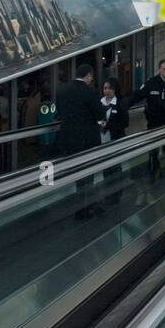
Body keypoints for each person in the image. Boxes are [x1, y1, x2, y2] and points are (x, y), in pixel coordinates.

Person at [55, 64, 105, 219]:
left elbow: (60, 111)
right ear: (88, 75)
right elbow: (99, 114)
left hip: (69, 138)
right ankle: (87, 206)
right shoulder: (90, 92)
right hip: (87, 139)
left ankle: (79, 206)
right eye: (91, 77)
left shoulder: (62, 90)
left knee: (77, 172)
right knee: (88, 174)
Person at [128, 59, 165, 179]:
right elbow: (137, 96)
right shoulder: (151, 83)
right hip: (154, 121)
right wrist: (125, 105)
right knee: (153, 148)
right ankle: (153, 169)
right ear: (159, 69)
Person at [100, 78, 130, 203]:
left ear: (115, 89)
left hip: (115, 139)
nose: (107, 91)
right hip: (102, 140)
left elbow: (125, 123)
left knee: (115, 167)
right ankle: (108, 193)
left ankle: (116, 194)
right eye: (105, 88)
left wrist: (107, 125)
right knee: (105, 168)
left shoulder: (120, 103)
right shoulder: (100, 102)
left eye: (109, 88)